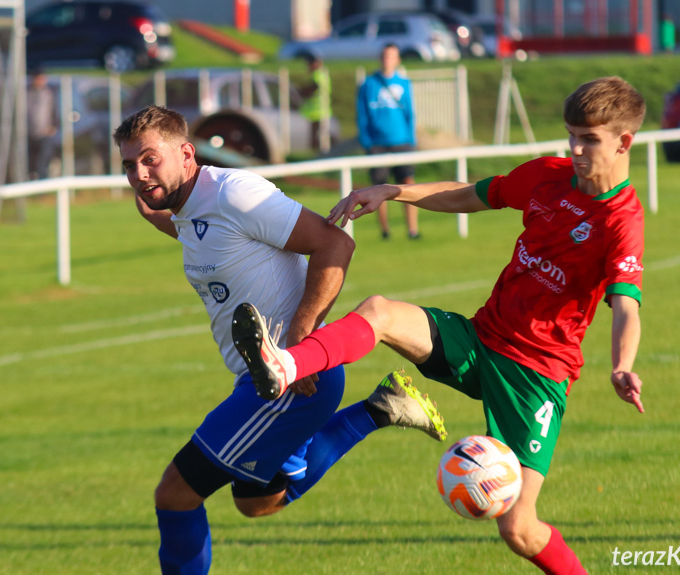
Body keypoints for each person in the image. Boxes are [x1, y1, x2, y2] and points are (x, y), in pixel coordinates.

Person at [232, 76, 647, 574]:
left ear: (624, 141)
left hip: (534, 378)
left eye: (590, 139)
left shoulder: (621, 222)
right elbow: (469, 194)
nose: (576, 149)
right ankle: (286, 364)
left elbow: (626, 305)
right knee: (379, 311)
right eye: (571, 136)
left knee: (519, 530)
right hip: (479, 340)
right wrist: (395, 191)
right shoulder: (547, 176)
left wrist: (623, 365)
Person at [112, 105, 447, 575]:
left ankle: (372, 410)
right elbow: (194, 229)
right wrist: (153, 208)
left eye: (150, 159)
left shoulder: (233, 193)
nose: (139, 174)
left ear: (187, 153)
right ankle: (381, 408)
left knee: (176, 494)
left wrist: (300, 338)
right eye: (129, 165)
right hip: (268, 381)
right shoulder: (186, 206)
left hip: (287, 381)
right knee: (256, 502)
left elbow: (335, 243)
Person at [357, 43, 420, 240]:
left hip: (401, 141)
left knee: (408, 184)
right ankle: (385, 231)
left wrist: (411, 139)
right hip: (377, 143)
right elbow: (362, 115)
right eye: (384, 55)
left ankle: (413, 230)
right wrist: (366, 141)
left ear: (397, 59)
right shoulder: (368, 84)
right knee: (379, 187)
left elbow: (410, 113)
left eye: (391, 56)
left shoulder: (404, 83)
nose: (387, 59)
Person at [26, 68, 57, 180]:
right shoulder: (27, 93)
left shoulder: (49, 94)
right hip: (29, 133)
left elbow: (54, 112)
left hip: (44, 134)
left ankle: (43, 186)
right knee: (30, 162)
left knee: (42, 162)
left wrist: (52, 127)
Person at [298, 53, 331, 152]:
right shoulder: (323, 73)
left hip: (317, 111)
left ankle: (319, 154)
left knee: (317, 136)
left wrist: (303, 92)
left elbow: (315, 86)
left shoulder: (318, 74)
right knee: (318, 135)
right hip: (318, 110)